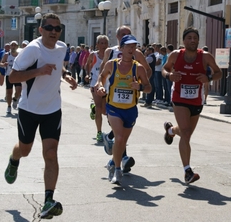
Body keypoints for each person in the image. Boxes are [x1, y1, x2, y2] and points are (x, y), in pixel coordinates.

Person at [3, 13, 77, 219]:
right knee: (25, 150)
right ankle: (13, 159)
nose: (54, 31)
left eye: (58, 28)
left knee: (51, 153)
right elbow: (13, 76)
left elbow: (57, 67)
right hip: (29, 108)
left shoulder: (62, 48)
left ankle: (48, 200)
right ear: (41, 29)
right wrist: (38, 71)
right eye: (50, 27)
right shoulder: (32, 50)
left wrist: (66, 76)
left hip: (52, 109)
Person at [162, 27, 222, 184]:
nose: (192, 40)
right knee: (187, 134)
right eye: (189, 37)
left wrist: (208, 77)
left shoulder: (205, 56)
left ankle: (170, 130)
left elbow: (218, 73)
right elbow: (165, 69)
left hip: (196, 100)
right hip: (179, 98)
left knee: (184, 132)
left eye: (195, 37)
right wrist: (169, 75)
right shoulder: (176, 55)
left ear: (198, 41)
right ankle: (187, 171)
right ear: (183, 41)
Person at [96, 34, 151, 185]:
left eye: (134, 46)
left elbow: (148, 87)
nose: (131, 49)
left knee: (122, 142)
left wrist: (139, 86)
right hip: (114, 108)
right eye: (128, 46)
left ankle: (112, 163)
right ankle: (118, 171)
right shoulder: (112, 65)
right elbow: (101, 77)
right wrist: (100, 86)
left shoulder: (138, 68)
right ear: (121, 48)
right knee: (119, 138)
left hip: (130, 109)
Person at [84, 35, 109, 142]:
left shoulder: (110, 55)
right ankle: (99, 132)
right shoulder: (93, 55)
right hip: (95, 83)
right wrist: (88, 74)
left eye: (105, 43)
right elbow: (87, 65)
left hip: (107, 84)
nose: (103, 45)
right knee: (99, 109)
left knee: (105, 110)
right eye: (101, 43)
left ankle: (93, 107)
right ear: (97, 45)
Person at [0, 41, 22, 114]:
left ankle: (15, 99)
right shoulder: (7, 55)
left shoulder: (20, 55)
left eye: (15, 45)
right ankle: (9, 106)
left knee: (19, 90)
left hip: (17, 75)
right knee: (9, 92)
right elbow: (1, 63)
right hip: (9, 75)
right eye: (12, 45)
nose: (13, 46)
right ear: (10, 47)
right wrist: (4, 64)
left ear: (17, 46)